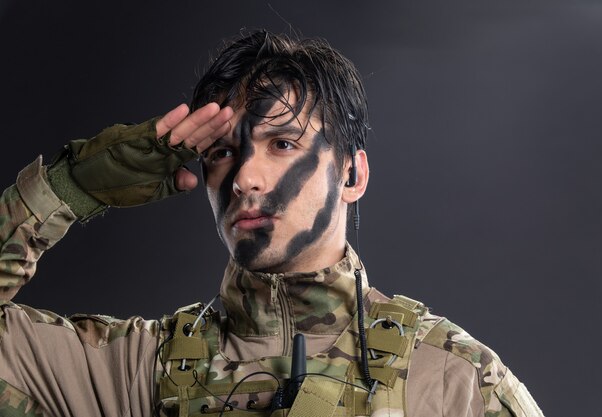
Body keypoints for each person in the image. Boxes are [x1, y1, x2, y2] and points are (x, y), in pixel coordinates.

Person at [0, 30, 544, 416]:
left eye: (282, 144)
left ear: (352, 174)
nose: (245, 177)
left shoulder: (453, 381)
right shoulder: (138, 370)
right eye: (219, 152)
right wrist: (70, 188)